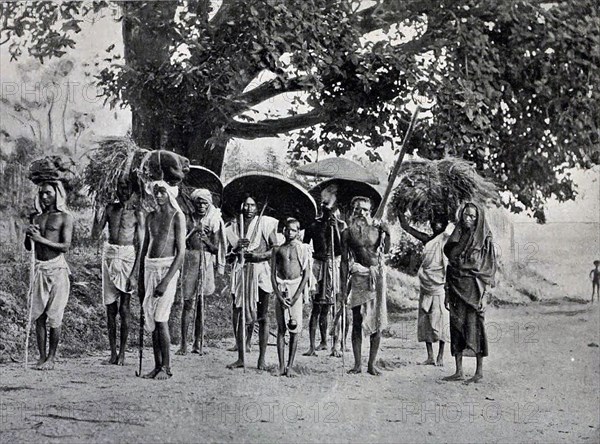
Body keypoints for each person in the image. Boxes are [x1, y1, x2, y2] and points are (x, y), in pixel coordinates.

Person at [92, 176, 145, 365]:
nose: (123, 191)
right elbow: (95, 234)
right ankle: (112, 353)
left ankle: (122, 353)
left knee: (124, 307)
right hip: (110, 254)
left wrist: (134, 273)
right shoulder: (109, 209)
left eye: (126, 188)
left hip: (128, 256)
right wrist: (98, 211)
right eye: (120, 187)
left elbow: (142, 244)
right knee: (110, 308)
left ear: (132, 190)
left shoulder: (137, 213)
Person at [442, 202, 497, 384]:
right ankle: (459, 371)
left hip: (474, 288)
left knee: (476, 327)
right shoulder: (457, 235)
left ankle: (479, 372)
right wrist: (447, 291)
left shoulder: (484, 240)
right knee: (456, 326)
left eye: (472, 216)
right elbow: (450, 262)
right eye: (465, 215)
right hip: (455, 285)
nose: (468, 219)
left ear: (478, 218)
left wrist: (484, 293)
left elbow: (488, 269)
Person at [225, 195, 279, 370]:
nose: (248, 208)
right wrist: (236, 248)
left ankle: (261, 359)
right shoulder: (233, 226)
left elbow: (275, 248)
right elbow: (227, 257)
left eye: (252, 205)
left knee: (262, 316)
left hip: (260, 272)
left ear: (257, 207)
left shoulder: (265, 223)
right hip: (241, 272)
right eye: (245, 205)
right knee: (239, 313)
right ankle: (241, 357)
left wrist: (259, 256)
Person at [139, 180, 186, 380]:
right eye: (156, 192)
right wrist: (138, 276)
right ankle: (157, 365)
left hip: (167, 268)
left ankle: (166, 367)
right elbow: (144, 247)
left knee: (161, 317)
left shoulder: (177, 216)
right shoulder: (150, 217)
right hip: (150, 267)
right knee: (150, 317)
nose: (158, 196)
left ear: (170, 195)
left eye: (162, 192)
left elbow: (181, 252)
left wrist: (166, 280)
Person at [25, 181, 74, 370]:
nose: (44, 198)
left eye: (48, 193)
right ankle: (42, 356)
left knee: (55, 315)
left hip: (57, 269)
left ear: (57, 194)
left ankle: (51, 358)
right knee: (39, 315)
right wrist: (29, 235)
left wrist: (40, 239)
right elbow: (29, 246)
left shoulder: (65, 217)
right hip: (40, 268)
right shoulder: (36, 217)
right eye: (42, 194)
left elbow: (65, 247)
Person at [341, 196, 390, 376]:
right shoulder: (347, 233)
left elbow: (385, 250)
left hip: (376, 277)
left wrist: (388, 232)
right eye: (357, 209)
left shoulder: (377, 230)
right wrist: (341, 288)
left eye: (365, 210)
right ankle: (357, 364)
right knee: (357, 319)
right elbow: (344, 262)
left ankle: (371, 363)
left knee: (376, 321)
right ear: (352, 211)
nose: (361, 213)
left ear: (370, 211)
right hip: (358, 277)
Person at [176, 188, 226, 355]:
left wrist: (206, 240)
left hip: (205, 261)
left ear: (209, 204)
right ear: (194, 203)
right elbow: (180, 242)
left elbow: (216, 248)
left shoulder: (213, 221)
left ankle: (198, 342)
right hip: (190, 260)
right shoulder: (188, 219)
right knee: (188, 302)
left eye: (205, 202)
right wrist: (193, 232)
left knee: (201, 303)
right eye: (199, 202)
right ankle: (183, 343)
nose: (202, 205)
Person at [398, 212, 451, 366]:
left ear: (445, 224)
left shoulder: (447, 241)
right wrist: (400, 211)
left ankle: (440, 356)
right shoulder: (428, 240)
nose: (435, 225)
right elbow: (406, 227)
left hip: (440, 286)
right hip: (426, 285)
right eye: (433, 222)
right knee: (425, 319)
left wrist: (448, 289)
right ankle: (430, 356)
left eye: (439, 222)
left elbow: (448, 265)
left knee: (441, 320)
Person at [303, 184, 346, 357]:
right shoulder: (313, 224)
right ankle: (313, 345)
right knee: (316, 307)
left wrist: (335, 227)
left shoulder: (339, 225)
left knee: (329, 306)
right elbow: (305, 246)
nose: (325, 210)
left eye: (328, 208)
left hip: (332, 265)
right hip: (317, 264)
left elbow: (341, 250)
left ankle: (329, 343)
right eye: (323, 207)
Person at [271, 218, 313, 377]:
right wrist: (279, 296)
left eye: (294, 230)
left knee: (294, 329)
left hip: (295, 288)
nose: (290, 233)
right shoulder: (277, 249)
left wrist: (296, 297)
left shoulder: (303, 249)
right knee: (281, 328)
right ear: (283, 230)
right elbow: (273, 276)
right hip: (281, 288)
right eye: (287, 229)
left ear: (298, 232)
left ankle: (290, 366)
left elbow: (306, 275)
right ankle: (281, 365)